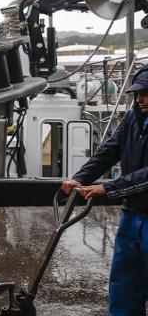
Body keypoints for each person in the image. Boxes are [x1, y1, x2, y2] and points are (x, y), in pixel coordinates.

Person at [61, 65, 148, 315]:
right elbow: (109, 150)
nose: (139, 99)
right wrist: (79, 178)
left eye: (145, 93)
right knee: (124, 285)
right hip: (133, 216)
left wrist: (107, 188)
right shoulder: (133, 117)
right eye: (137, 94)